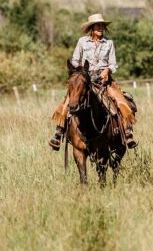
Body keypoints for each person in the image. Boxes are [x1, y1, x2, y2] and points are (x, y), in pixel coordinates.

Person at [48, 14, 138, 150]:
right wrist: (79, 73)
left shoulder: (109, 43)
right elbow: (75, 60)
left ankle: (127, 132)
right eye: (98, 26)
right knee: (69, 101)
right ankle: (58, 132)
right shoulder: (82, 42)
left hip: (104, 80)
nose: (100, 28)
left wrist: (107, 70)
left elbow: (113, 63)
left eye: (102, 26)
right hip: (85, 78)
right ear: (91, 28)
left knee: (121, 101)